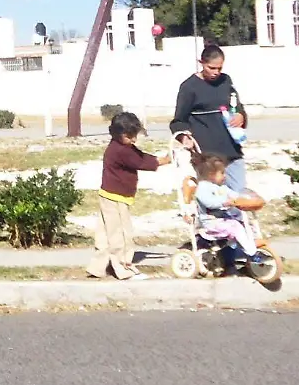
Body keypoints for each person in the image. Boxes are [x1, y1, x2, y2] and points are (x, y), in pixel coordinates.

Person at [87, 111, 164, 281]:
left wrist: (159, 159)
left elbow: (138, 155)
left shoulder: (119, 146)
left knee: (105, 234)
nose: (134, 140)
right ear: (120, 134)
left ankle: (98, 267)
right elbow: (140, 161)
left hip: (107, 194)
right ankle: (123, 267)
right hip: (116, 197)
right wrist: (162, 161)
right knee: (120, 234)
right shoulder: (121, 151)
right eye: (131, 137)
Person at [170, 45, 251, 195]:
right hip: (207, 155)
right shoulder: (189, 87)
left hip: (231, 150)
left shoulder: (226, 81)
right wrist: (184, 137)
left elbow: (236, 105)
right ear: (201, 63)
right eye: (212, 68)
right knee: (213, 199)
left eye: (219, 68)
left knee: (239, 195)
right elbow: (179, 121)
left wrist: (241, 115)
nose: (216, 73)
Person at [192, 154, 260, 262]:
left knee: (241, 223)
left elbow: (233, 194)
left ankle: (237, 251)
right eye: (222, 173)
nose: (225, 176)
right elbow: (209, 203)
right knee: (236, 227)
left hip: (222, 220)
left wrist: (245, 198)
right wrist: (224, 203)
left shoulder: (221, 187)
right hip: (211, 223)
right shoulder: (202, 188)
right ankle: (251, 253)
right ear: (211, 174)